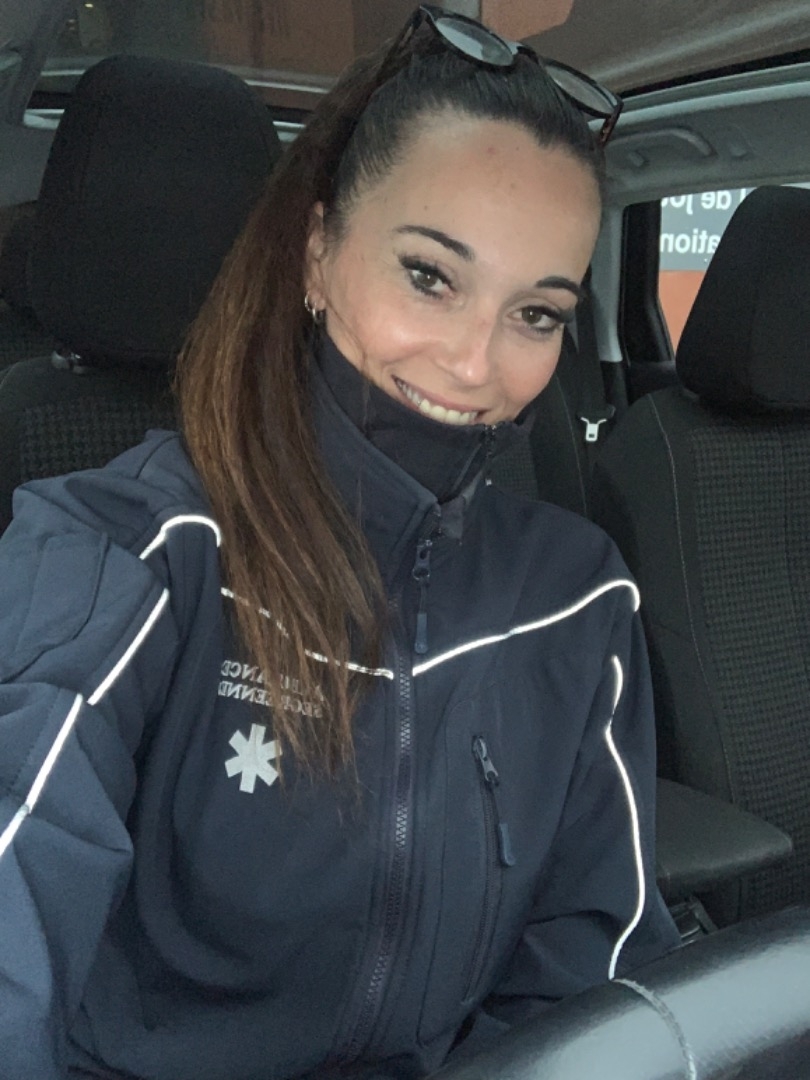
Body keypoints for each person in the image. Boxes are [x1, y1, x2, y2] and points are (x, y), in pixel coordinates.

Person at [0, 6, 679, 1079]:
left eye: (537, 314)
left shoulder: (578, 599)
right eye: (430, 276)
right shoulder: (131, 550)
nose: (475, 363)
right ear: (317, 256)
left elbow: (597, 978)